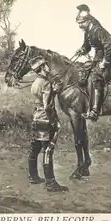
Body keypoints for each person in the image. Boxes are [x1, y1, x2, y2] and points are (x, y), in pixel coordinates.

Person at [28, 55, 68, 192]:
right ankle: (50, 183)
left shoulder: (35, 83)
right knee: (48, 150)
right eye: (45, 65)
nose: (48, 66)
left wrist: (53, 92)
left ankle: (33, 176)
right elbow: (48, 106)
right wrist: (54, 122)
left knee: (35, 148)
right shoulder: (45, 83)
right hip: (46, 119)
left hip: (36, 118)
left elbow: (42, 98)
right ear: (41, 68)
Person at [74, 4, 111, 121]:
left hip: (109, 54)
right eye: (78, 23)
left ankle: (96, 110)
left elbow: (109, 45)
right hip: (99, 55)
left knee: (96, 76)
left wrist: (106, 61)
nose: (80, 26)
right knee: (85, 73)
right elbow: (87, 46)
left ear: (88, 21)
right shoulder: (88, 31)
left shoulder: (97, 29)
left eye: (81, 23)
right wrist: (82, 50)